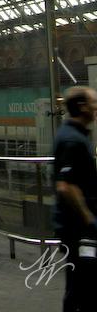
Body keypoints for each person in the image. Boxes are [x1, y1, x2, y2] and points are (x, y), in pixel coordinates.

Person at [53, 86, 97, 312]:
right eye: (93, 103)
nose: (96, 107)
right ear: (81, 106)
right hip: (78, 230)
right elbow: (66, 185)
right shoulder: (73, 140)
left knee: (79, 285)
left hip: (74, 227)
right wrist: (89, 219)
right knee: (82, 287)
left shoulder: (74, 134)